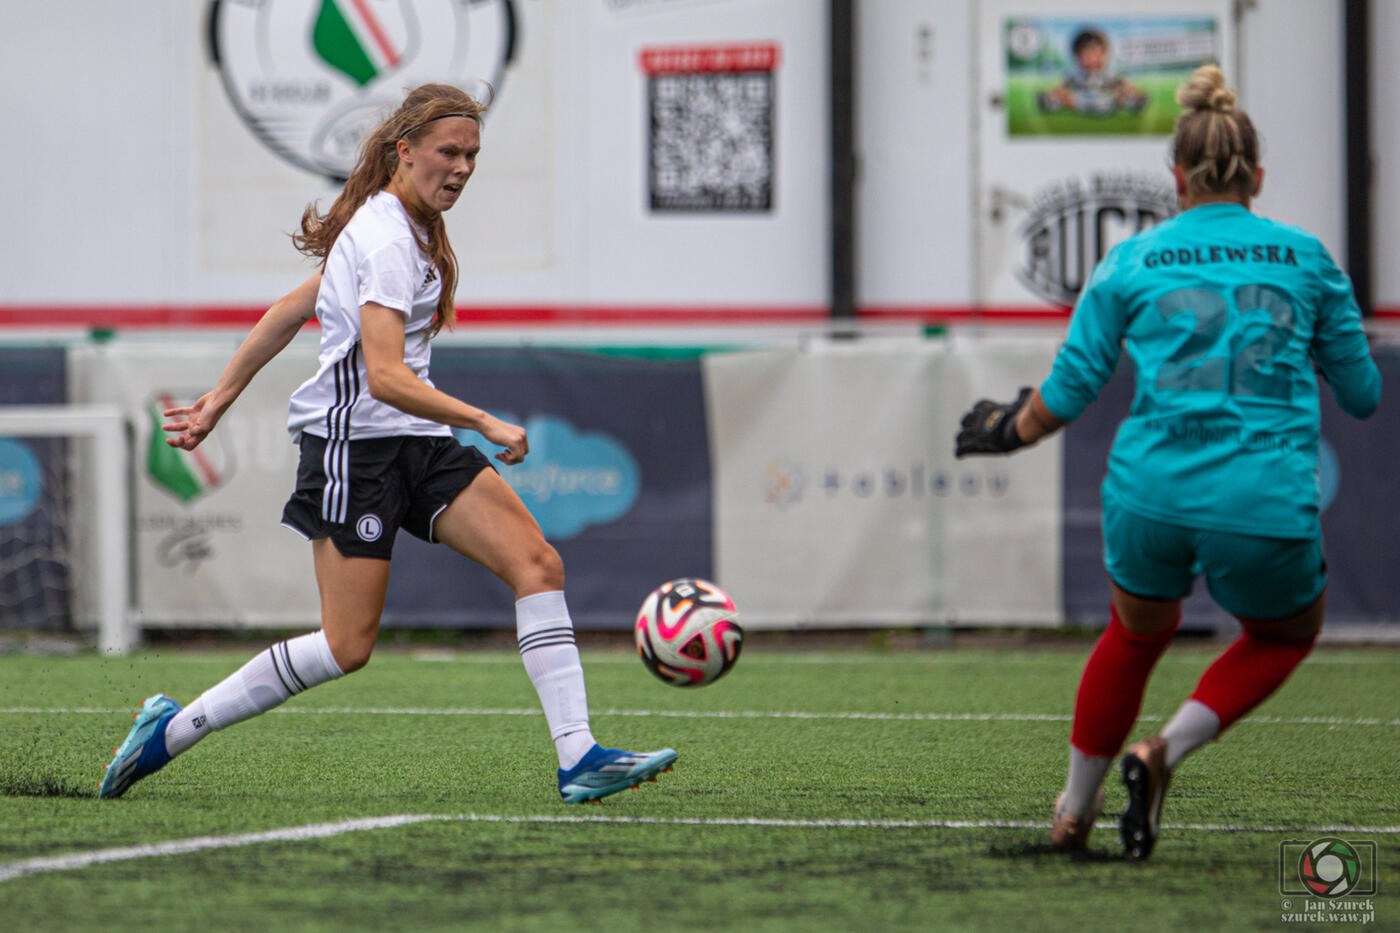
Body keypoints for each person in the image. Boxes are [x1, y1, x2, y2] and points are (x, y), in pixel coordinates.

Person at [99, 83, 677, 804]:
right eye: (448, 151)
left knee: (537, 563)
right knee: (346, 646)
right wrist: (484, 422)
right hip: (355, 449)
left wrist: (218, 399)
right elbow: (383, 378)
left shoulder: (399, 224)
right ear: (405, 150)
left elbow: (287, 310)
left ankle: (578, 755)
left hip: (417, 442)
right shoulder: (384, 239)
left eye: (472, 154)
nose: (463, 167)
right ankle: (172, 729)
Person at [957, 65, 1380, 859]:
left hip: (1151, 491)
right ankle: (1165, 750)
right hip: (1265, 495)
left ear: (1176, 178)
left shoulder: (1132, 261)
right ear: (1256, 177)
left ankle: (1072, 815)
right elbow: (1361, 395)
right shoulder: (1307, 259)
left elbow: (1070, 389)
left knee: (1135, 633)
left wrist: (1012, 429)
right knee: (1283, 635)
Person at [1037, 28, 1146, 116]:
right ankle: (1049, 102)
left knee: (1124, 92)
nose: (1091, 59)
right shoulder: (1075, 74)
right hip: (1079, 103)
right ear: (1077, 57)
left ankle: (1134, 102)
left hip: (1109, 103)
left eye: (1096, 53)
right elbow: (1061, 87)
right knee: (1062, 95)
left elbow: (1125, 84)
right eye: (1085, 55)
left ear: (1104, 54)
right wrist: (1054, 94)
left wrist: (1131, 91)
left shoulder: (1111, 73)